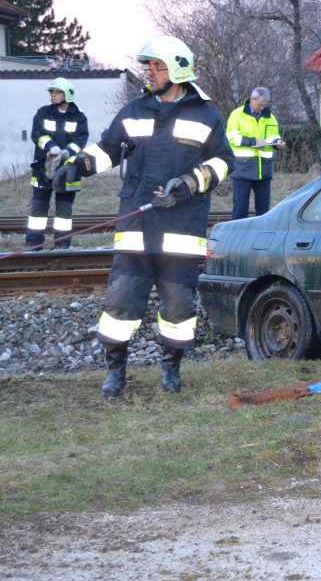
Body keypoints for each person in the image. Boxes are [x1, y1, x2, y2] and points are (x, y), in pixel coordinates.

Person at [52, 36, 234, 398]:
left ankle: (171, 367)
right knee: (120, 303)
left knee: (179, 308)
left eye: (157, 67)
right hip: (136, 227)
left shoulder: (207, 117)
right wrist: (78, 166)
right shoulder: (134, 110)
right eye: (148, 67)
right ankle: (115, 371)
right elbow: (108, 149)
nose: (149, 73)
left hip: (181, 230)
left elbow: (224, 162)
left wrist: (189, 183)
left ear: (178, 70)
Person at [26, 78, 89, 249]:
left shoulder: (79, 117)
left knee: (64, 213)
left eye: (57, 92)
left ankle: (62, 247)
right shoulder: (43, 112)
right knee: (38, 211)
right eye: (52, 92)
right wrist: (51, 147)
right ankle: (33, 247)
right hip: (43, 168)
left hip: (68, 170)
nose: (53, 95)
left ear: (68, 94)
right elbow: (37, 134)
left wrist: (67, 152)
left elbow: (80, 140)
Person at [227, 87, 284, 219]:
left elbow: (273, 136)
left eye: (264, 105)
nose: (262, 108)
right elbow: (231, 137)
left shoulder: (270, 117)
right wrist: (253, 141)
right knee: (240, 208)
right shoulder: (237, 115)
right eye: (260, 104)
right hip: (242, 169)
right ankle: (239, 232)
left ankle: (262, 232)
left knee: (264, 210)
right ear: (252, 99)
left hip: (264, 169)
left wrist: (277, 143)